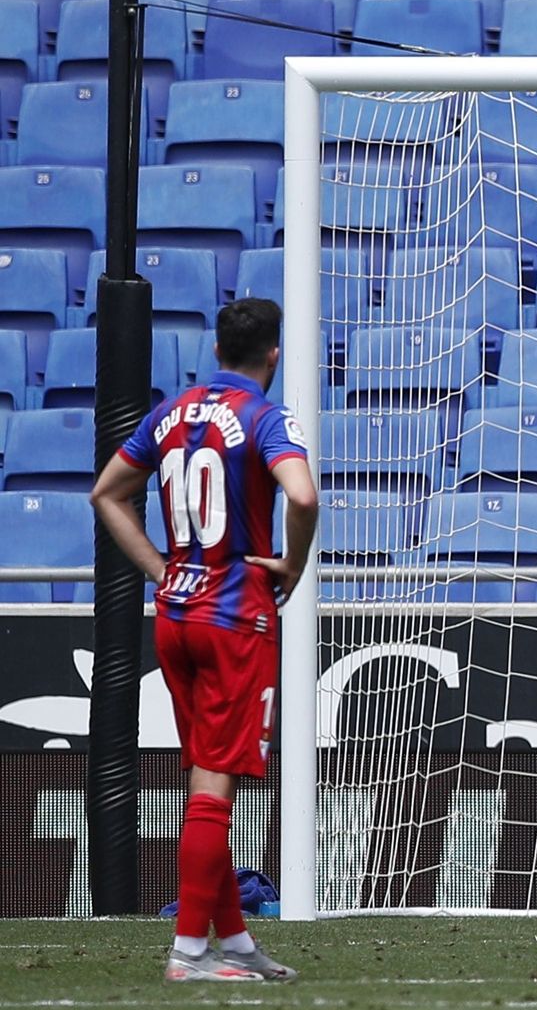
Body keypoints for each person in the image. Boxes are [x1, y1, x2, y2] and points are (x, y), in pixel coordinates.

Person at [91, 299, 318, 981]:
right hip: (233, 618)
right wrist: (293, 563)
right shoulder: (264, 417)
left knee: (202, 782)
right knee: (214, 792)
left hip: (176, 613)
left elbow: (107, 492)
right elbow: (302, 497)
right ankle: (189, 953)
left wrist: (161, 569)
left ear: (217, 350)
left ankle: (236, 943)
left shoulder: (172, 412)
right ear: (272, 357)